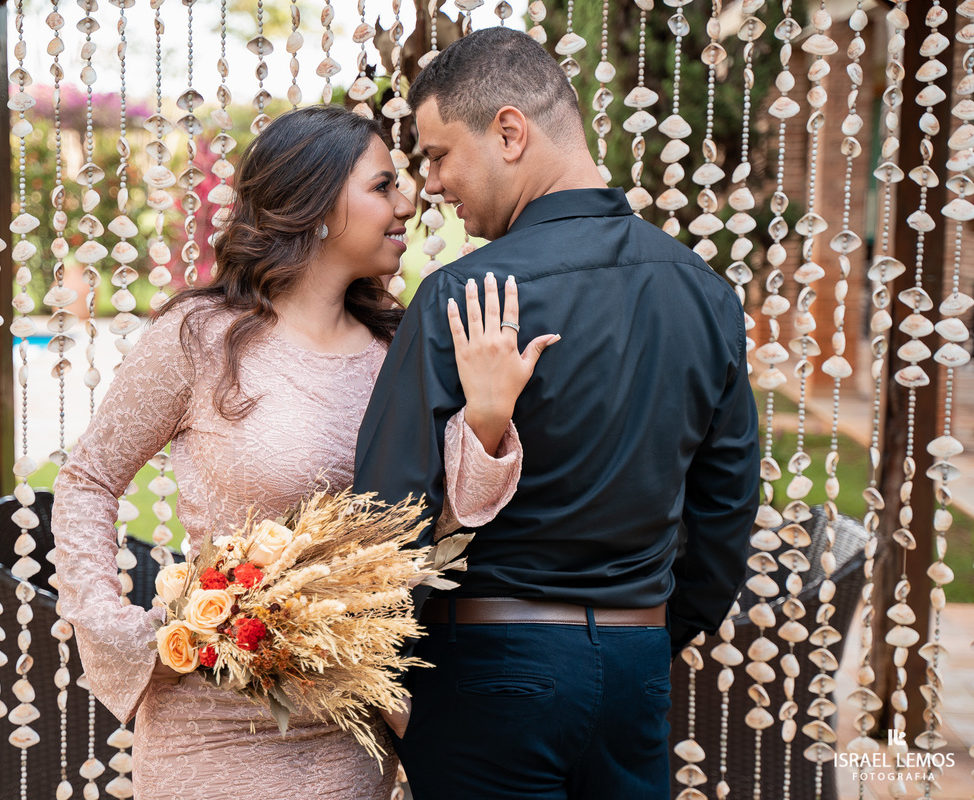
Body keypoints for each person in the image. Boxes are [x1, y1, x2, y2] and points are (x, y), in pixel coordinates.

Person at [50, 105, 554, 800]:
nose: (408, 203)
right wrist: (114, 625)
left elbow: (435, 529)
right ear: (314, 206)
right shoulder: (200, 338)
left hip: (345, 729)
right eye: (383, 186)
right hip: (206, 723)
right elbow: (87, 478)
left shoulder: (400, 350)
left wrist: (489, 420)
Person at [353, 27, 761, 799]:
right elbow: (726, 511)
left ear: (509, 132)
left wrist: (398, 682)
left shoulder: (461, 298)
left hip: (486, 676)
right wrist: (647, 635)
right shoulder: (706, 295)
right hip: (635, 669)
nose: (431, 184)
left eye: (438, 155)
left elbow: (386, 521)